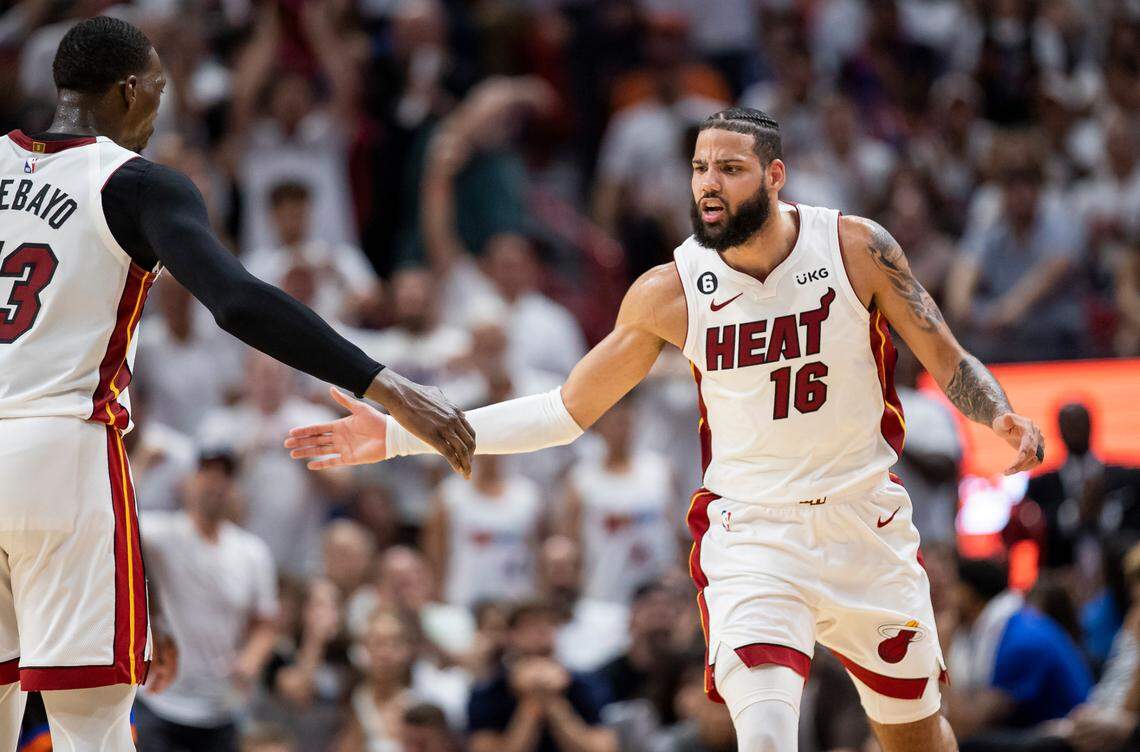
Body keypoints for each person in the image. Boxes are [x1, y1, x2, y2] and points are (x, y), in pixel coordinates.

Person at [288, 106, 1049, 752]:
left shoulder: (856, 248)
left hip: (866, 527)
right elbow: (564, 411)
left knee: (917, 736)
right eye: (698, 170)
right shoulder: (671, 290)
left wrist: (997, 412)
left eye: (729, 169)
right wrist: (396, 436)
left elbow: (950, 360)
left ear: (774, 176)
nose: (708, 186)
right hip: (756, 538)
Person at [0, 15, 471, 750]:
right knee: (90, 724)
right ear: (128, 90)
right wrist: (385, 385)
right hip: (63, 452)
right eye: (157, 91)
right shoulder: (135, 184)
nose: (159, 111)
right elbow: (239, 301)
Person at [134, 450, 279, 752]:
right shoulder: (160, 535)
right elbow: (116, 515)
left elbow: (266, 622)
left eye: (224, 477)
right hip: (160, 700)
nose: (215, 484)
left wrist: (251, 658)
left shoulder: (252, 552)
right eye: (206, 474)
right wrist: (143, 463)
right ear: (188, 482)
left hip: (220, 705)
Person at [945, 558, 1092, 743]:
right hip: (1038, 735)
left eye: (951, 588)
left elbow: (966, 725)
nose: (946, 600)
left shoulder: (1021, 641)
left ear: (969, 594)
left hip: (1068, 742)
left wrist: (940, 654)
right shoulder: (1011, 625)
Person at [465, 599, 617, 752]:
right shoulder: (488, 693)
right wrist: (531, 704)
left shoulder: (585, 684)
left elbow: (602, 748)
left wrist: (553, 702)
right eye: (531, 625)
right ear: (511, 635)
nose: (541, 632)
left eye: (549, 624)